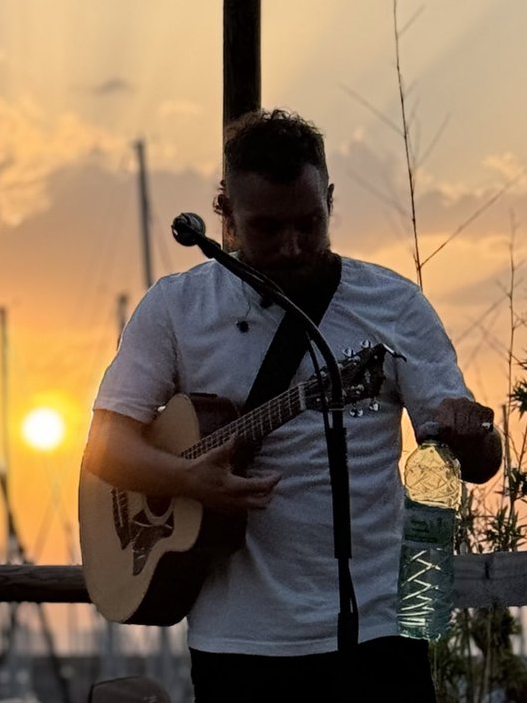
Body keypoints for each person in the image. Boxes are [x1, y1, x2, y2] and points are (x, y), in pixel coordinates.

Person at [82, 108, 502, 702]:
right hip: (237, 639)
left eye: (309, 222)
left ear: (329, 199)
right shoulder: (176, 308)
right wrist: (186, 480)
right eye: (267, 228)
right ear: (226, 213)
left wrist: (470, 434)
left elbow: (480, 464)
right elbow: (106, 449)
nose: (293, 245)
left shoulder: (394, 306)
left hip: (378, 628)